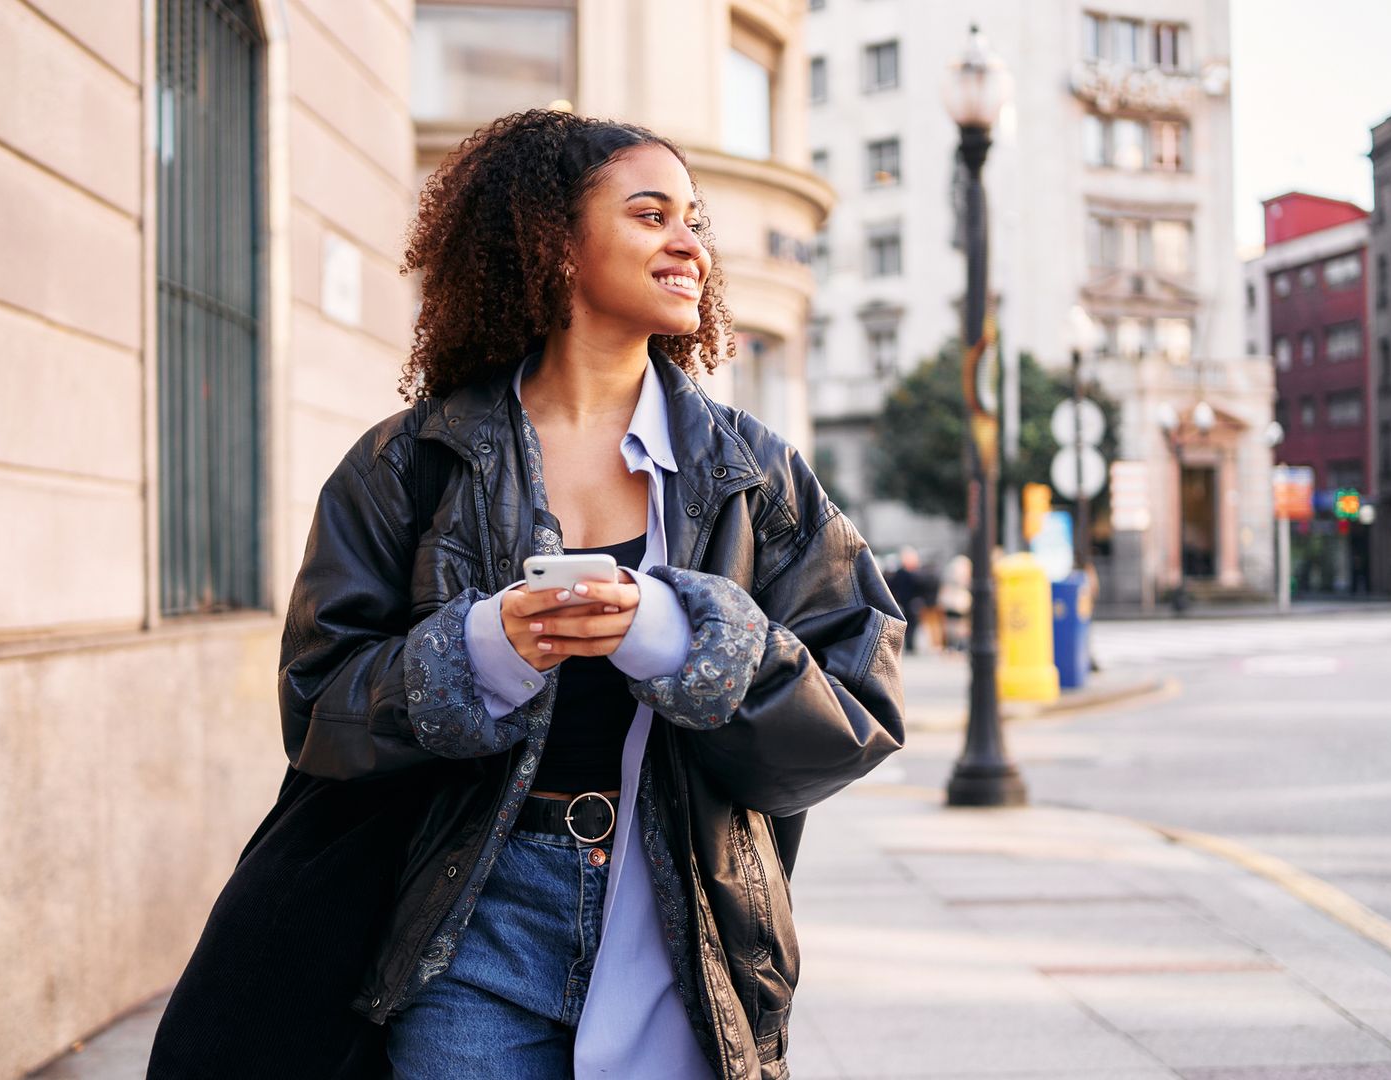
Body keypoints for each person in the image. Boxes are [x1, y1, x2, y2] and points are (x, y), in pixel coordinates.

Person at [148, 111, 906, 1079]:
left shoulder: (754, 475)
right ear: (556, 245)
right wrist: (481, 651)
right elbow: (318, 708)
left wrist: (679, 638)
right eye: (650, 214)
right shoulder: (406, 465)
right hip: (469, 936)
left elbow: (863, 690)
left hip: (679, 938)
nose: (690, 245)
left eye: (695, 221)